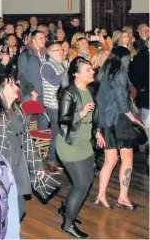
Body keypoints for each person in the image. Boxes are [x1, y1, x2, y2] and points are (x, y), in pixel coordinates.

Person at [0, 75, 45, 221]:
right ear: (1, 90)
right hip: (1, 170)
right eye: (12, 85)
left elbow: (27, 140)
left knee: (19, 208)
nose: (17, 88)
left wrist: (37, 164)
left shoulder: (17, 110)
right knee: (7, 210)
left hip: (18, 166)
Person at [55, 57, 99, 238]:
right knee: (81, 185)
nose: (93, 72)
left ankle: (66, 209)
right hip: (70, 144)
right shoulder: (69, 93)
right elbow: (63, 120)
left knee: (85, 181)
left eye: (92, 69)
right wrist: (81, 112)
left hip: (85, 143)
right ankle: (67, 224)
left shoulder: (89, 89)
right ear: (76, 74)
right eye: (88, 70)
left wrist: (97, 133)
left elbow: (92, 118)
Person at [95, 47, 142, 211]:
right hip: (120, 121)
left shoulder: (103, 72)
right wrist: (135, 121)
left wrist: (99, 127)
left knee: (110, 161)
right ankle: (123, 197)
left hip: (106, 121)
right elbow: (122, 105)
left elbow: (99, 100)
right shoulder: (120, 73)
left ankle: (101, 195)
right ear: (123, 58)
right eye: (128, 59)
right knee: (127, 159)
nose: (129, 61)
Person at [40, 42, 69, 173]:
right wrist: (68, 70)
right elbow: (55, 81)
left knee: (63, 133)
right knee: (56, 133)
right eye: (59, 50)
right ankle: (51, 161)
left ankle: (59, 158)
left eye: (62, 50)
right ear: (50, 53)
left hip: (64, 103)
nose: (62, 52)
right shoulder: (46, 66)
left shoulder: (62, 64)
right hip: (53, 104)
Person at [18, 30, 48, 128]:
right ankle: (23, 142)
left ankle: (40, 143)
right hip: (30, 92)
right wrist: (31, 90)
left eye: (44, 38)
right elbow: (22, 75)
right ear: (33, 40)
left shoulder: (46, 54)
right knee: (26, 122)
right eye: (40, 38)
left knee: (44, 121)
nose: (43, 40)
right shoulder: (25, 54)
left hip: (44, 92)